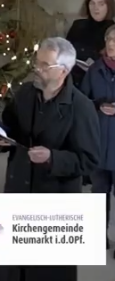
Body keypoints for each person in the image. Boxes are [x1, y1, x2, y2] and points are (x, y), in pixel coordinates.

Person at [0, 37, 100, 281]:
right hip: (18, 193)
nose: (37, 69)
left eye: (45, 65)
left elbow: (89, 160)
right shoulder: (25, 92)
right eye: (37, 63)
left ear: (64, 71)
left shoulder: (81, 107)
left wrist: (53, 158)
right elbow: (10, 129)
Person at [79, 25, 115, 249]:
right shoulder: (95, 70)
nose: (112, 43)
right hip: (99, 143)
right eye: (110, 38)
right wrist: (97, 105)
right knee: (99, 194)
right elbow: (82, 102)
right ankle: (99, 238)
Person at [67, 0, 114, 86]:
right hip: (73, 79)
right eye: (92, 3)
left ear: (109, 6)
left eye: (101, 4)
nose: (96, 8)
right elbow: (65, 51)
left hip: (101, 84)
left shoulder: (113, 31)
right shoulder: (77, 25)